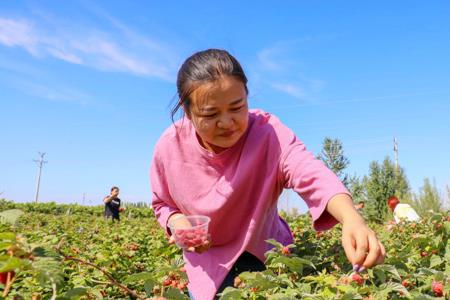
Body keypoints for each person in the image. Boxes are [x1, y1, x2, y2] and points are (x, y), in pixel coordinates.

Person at [150, 49, 386, 300]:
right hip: (207, 265)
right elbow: (162, 203)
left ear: (247, 98)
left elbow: (307, 170)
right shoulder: (169, 148)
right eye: (210, 114)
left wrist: (350, 217)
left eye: (237, 107)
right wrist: (177, 223)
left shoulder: (267, 133)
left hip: (266, 253)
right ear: (187, 113)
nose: (227, 122)